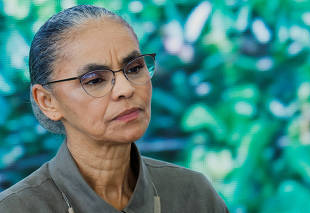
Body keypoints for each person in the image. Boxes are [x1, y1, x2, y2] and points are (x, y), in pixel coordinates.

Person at [0, 5, 228, 213]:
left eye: (135, 67)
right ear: (48, 101)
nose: (126, 89)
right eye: (95, 80)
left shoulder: (193, 195)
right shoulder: (17, 208)